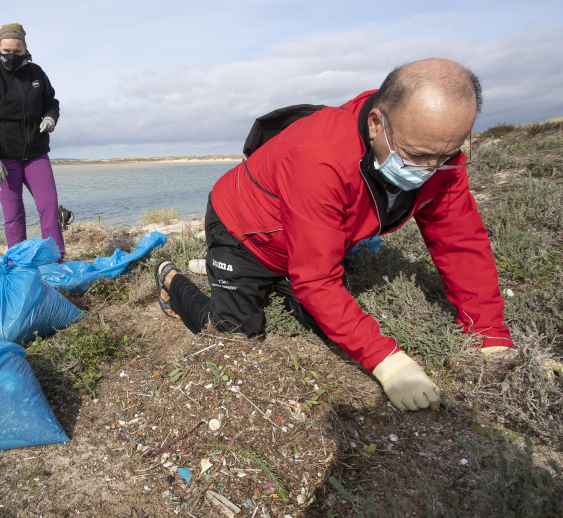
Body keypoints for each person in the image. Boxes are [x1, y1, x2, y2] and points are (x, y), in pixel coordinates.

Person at [155, 58, 515, 412]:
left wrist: (489, 330)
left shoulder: (435, 149)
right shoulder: (319, 157)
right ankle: (173, 279)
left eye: (446, 155)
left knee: (328, 325)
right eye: (416, 156)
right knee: (234, 340)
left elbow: (460, 242)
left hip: (306, 240)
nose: (430, 170)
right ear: (376, 124)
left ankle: (243, 275)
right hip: (246, 231)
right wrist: (388, 362)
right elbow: (316, 280)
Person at [0, 23, 66, 259]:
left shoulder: (36, 73)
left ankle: (55, 256)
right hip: (3, 158)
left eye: (17, 51)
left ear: (25, 50)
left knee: (49, 208)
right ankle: (18, 262)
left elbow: (51, 102)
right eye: (6, 51)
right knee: (14, 214)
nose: (12, 56)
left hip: (36, 155)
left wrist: (51, 117)